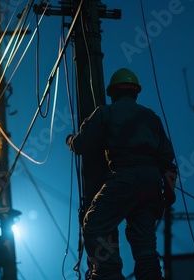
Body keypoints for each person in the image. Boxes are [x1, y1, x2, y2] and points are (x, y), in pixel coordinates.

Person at [66, 68, 178, 280]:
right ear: (135, 93)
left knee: (95, 225)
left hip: (125, 177)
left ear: (112, 93)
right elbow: (168, 158)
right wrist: (168, 192)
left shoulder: (105, 113)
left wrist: (70, 140)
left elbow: (81, 145)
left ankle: (108, 276)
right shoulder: (151, 117)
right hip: (152, 185)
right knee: (145, 247)